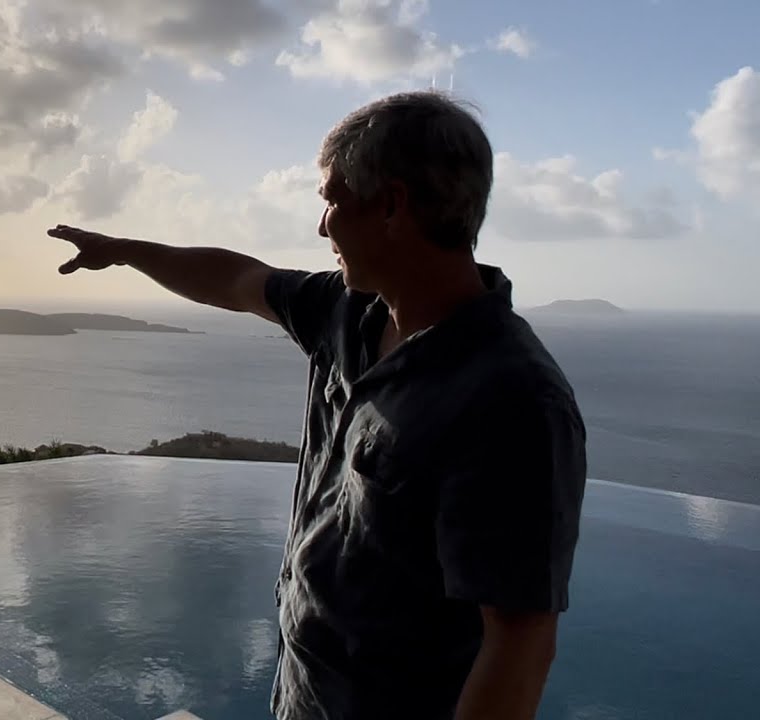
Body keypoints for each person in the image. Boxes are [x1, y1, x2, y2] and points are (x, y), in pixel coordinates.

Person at [47, 90, 587, 720]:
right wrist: (125, 251)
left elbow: (519, 644)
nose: (322, 225)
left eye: (332, 200)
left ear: (391, 205)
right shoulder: (348, 312)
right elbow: (238, 280)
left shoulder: (510, 399)